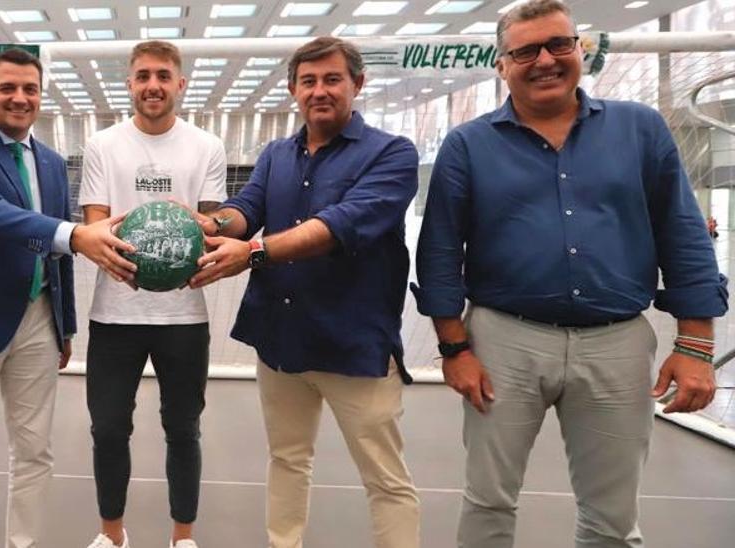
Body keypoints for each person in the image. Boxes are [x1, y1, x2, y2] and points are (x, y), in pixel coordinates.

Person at [412, 1, 726, 546]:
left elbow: (682, 234)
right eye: (525, 51)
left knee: (611, 519)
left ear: (579, 49)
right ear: (502, 63)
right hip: (502, 344)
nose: (545, 61)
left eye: (558, 45)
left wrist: (695, 344)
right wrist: (454, 348)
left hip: (617, 344)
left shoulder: (640, 130)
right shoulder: (468, 145)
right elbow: (439, 252)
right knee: (488, 502)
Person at [187, 36, 421, 548]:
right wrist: (210, 222)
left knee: (385, 478)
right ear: (294, 89)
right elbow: (246, 209)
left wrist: (252, 253)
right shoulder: (276, 154)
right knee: (288, 460)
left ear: (357, 84)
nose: (320, 90)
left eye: (332, 79)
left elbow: (339, 225)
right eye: (308, 81)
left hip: (355, 343)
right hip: (282, 340)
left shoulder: (392, 154)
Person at [0, 48, 136, 548]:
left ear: (40, 96)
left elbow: (59, 256)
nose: (19, 98)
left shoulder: (53, 163)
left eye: (29, 89)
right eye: (8, 88)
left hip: (39, 320)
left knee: (34, 452)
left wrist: (65, 325)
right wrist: (76, 234)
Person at [78, 40, 226, 548]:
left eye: (163, 75)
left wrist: (199, 240)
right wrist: (118, 254)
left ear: (180, 83)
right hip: (115, 312)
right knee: (109, 429)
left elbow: (214, 225)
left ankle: (182, 537)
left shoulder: (205, 146)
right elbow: (94, 223)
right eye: (143, 76)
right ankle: (111, 534)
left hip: (184, 315)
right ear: (130, 84)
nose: (153, 85)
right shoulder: (102, 145)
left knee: (183, 429)